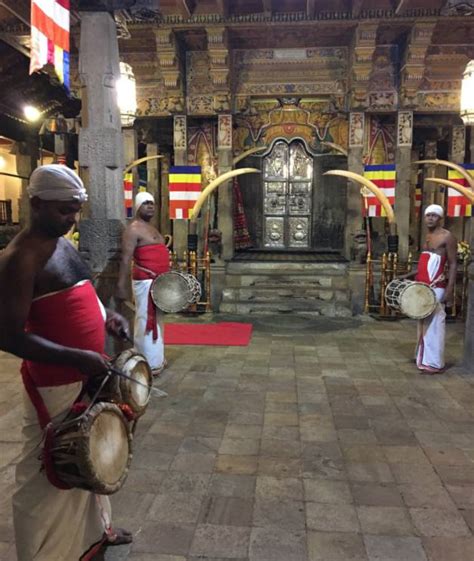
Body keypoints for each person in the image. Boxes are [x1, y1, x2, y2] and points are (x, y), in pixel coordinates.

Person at [0, 164, 132, 560]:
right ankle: (45, 553)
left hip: (86, 372)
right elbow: (7, 336)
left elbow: (80, 292)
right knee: (45, 473)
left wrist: (108, 314)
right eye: (64, 211)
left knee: (89, 458)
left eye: (76, 210)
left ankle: (95, 534)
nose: (72, 219)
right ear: (35, 204)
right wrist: (76, 356)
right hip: (55, 382)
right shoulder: (18, 259)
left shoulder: (63, 242)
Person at [116, 192, 170, 376]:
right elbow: (125, 258)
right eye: (146, 203)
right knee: (145, 319)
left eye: (152, 203)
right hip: (146, 281)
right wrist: (121, 285)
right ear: (137, 206)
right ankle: (146, 362)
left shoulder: (151, 227)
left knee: (158, 320)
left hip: (160, 282)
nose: (150, 206)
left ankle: (156, 359)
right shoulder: (133, 229)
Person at [409, 204, 457, 373]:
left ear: (440, 218)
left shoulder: (447, 237)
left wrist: (449, 291)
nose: (430, 218)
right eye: (427, 215)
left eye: (433, 216)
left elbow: (452, 264)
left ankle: (434, 362)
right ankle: (423, 357)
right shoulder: (428, 237)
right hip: (423, 285)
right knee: (422, 321)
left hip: (437, 285)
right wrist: (407, 275)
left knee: (435, 323)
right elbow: (425, 262)